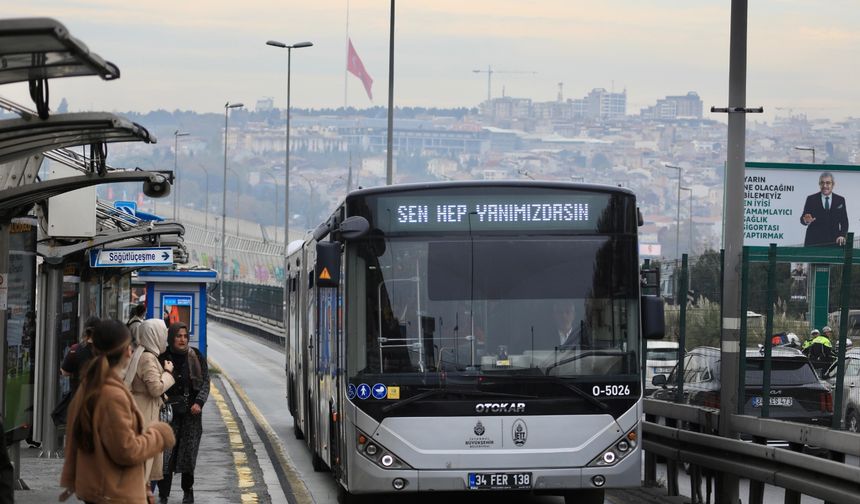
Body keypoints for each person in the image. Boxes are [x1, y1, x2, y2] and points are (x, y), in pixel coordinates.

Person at [60, 319, 175, 504]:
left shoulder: (90, 385)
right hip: (114, 492)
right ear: (125, 351)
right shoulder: (111, 395)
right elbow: (126, 450)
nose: (132, 350)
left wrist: (142, 485)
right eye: (129, 345)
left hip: (98, 487)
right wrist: (159, 435)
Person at [157, 323, 210, 504]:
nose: (182, 339)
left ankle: (188, 492)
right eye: (178, 336)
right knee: (166, 455)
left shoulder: (195, 356)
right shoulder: (163, 357)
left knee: (188, 455)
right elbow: (157, 383)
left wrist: (199, 402)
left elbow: (205, 382)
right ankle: (163, 494)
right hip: (169, 415)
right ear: (171, 337)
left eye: (185, 336)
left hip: (191, 415)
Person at [126, 319, 175, 496]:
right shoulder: (148, 358)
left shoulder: (141, 352)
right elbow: (155, 389)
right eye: (164, 335)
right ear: (154, 335)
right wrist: (168, 373)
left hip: (141, 411)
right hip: (145, 415)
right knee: (145, 465)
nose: (165, 339)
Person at [800, 172, 848, 247]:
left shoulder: (840, 200)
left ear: (833, 184)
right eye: (822, 183)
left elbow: (844, 222)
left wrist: (842, 235)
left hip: (834, 242)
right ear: (819, 184)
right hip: (813, 243)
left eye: (828, 183)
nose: (825, 186)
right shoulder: (811, 199)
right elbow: (803, 219)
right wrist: (806, 220)